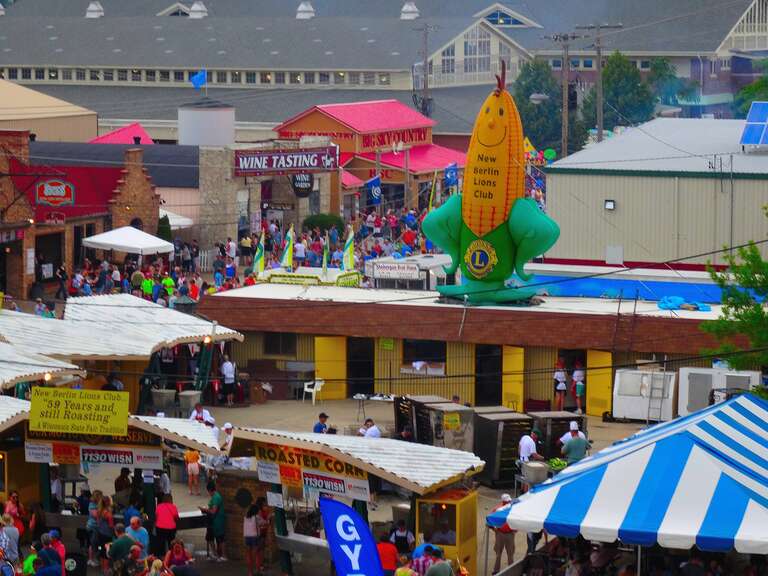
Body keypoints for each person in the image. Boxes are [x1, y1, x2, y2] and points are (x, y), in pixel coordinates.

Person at [243, 498, 270, 576]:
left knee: (248, 556)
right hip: (255, 537)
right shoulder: (257, 517)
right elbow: (265, 523)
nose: (259, 511)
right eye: (258, 510)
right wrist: (268, 518)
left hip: (247, 537)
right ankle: (258, 570)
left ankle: (250, 572)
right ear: (256, 511)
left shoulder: (246, 517)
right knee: (255, 555)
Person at [200, 481, 226, 562]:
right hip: (214, 521)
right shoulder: (215, 497)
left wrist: (205, 509)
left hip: (217, 521)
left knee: (220, 539)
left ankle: (222, 555)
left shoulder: (216, 497)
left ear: (210, 490)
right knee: (210, 538)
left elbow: (213, 511)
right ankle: (215, 554)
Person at [491, 495, 515, 574]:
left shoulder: (512, 509)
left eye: (509, 501)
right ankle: (496, 570)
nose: (509, 502)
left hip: (510, 534)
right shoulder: (498, 509)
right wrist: (494, 528)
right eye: (507, 501)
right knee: (498, 553)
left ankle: (511, 570)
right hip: (500, 533)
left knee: (510, 554)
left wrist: (515, 530)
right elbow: (490, 518)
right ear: (503, 501)